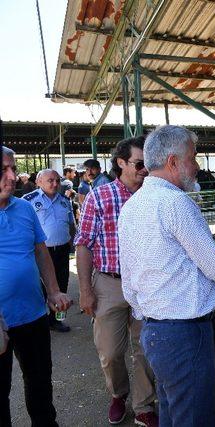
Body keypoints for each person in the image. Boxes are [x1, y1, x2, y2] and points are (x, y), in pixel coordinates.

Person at [118, 125, 215, 426]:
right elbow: (213, 264)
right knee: (194, 417)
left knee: (173, 412)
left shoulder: (133, 205)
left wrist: (145, 311)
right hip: (185, 334)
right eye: (194, 156)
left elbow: (129, 275)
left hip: (155, 330)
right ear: (173, 162)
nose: (198, 165)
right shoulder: (177, 204)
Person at [75, 137, 158, 426]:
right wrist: (86, 290)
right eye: (139, 163)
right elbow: (84, 243)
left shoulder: (155, 196)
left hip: (146, 283)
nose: (144, 169)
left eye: (147, 163)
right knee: (110, 352)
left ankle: (144, 404)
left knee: (146, 346)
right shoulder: (100, 197)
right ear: (121, 163)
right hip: (110, 283)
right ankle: (118, 394)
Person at [0, 147, 72, 426]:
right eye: (3, 170)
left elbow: (41, 252)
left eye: (13, 169)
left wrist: (53, 290)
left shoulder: (26, 208)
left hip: (32, 314)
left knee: (40, 382)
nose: (12, 176)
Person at [23, 169, 76, 333]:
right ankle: (37, 322)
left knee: (62, 285)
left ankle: (57, 320)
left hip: (61, 251)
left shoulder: (64, 201)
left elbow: (71, 224)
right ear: (39, 182)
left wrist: (71, 241)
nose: (55, 184)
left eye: (57, 180)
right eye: (50, 180)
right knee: (39, 288)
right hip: (40, 253)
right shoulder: (28, 201)